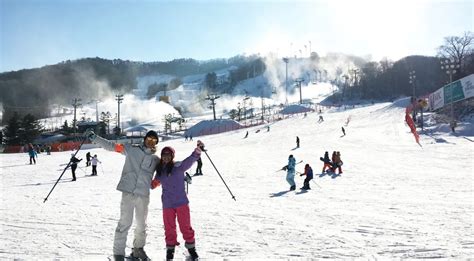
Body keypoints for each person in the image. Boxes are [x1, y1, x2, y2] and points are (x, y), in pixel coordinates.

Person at [86, 129, 160, 261]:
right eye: (149, 139)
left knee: (141, 224)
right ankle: (118, 253)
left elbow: (167, 171)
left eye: (153, 141)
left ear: (156, 143)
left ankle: (138, 249)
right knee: (125, 222)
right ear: (144, 140)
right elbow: (111, 146)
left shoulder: (155, 160)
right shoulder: (132, 150)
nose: (150, 142)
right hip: (128, 192)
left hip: (143, 195)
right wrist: (94, 138)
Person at [151, 140, 204, 261]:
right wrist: (151, 183)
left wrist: (198, 150)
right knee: (169, 228)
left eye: (168, 155)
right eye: (164, 155)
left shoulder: (178, 167)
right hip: (167, 205)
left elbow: (189, 160)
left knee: (185, 227)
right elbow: (154, 184)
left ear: (172, 156)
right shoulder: (160, 171)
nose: (166, 157)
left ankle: (192, 250)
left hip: (181, 203)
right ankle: (170, 253)